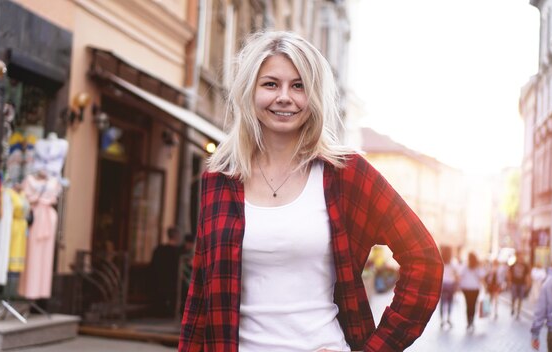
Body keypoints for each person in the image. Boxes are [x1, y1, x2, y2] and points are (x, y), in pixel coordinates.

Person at [178, 31, 443, 352]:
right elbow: (201, 294)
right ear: (250, 91)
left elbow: (424, 259)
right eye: (271, 84)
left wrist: (377, 349)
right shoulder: (220, 177)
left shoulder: (346, 174)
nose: (284, 97)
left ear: (314, 95)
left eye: (299, 85)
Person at [150, 226, 182, 318]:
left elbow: (153, 266)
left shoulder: (159, 250)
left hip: (158, 282)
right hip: (172, 282)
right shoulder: (178, 252)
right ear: (177, 237)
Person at [458, 252, 484, 332]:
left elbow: (460, 275)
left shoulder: (465, 266)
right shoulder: (478, 267)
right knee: (473, 305)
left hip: (466, 288)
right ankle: (472, 321)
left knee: (468, 305)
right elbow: (482, 277)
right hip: (475, 288)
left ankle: (468, 322)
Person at [439, 246, 459, 328]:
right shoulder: (453, 263)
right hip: (450, 285)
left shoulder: (440, 262)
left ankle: (442, 320)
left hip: (442, 284)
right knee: (450, 302)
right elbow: (456, 275)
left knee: (442, 303)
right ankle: (448, 318)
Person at [508, 252, 531, 319]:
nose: (521, 258)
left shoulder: (525, 266)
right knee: (514, 297)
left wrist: (528, 284)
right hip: (514, 283)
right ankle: (512, 308)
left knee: (520, 298)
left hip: (522, 284)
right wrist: (509, 282)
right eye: (519, 257)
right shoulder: (513, 265)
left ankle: (518, 312)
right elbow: (509, 274)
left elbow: (527, 275)